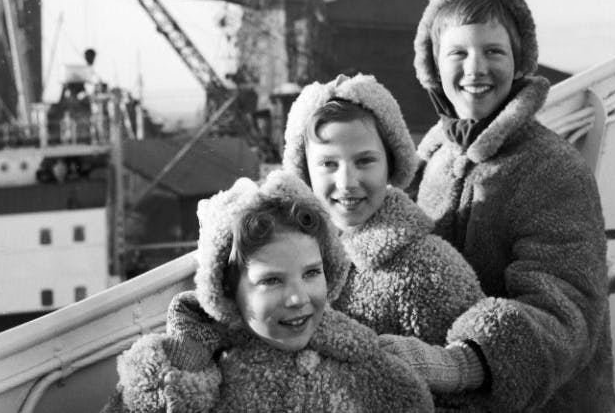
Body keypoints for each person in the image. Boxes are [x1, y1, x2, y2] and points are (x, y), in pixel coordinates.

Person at [377, 0, 614, 412]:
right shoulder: (431, 155)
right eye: (458, 53)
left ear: (519, 61)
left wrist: (462, 363)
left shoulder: (552, 168)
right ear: (433, 65)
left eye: (494, 51)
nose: (475, 68)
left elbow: (567, 309)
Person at [110, 170, 434, 412]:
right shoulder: (186, 376)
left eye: (311, 273)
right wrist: (181, 365)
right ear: (226, 288)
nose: (298, 298)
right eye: (272, 281)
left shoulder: (369, 368)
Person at [281, 73, 485, 392]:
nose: (347, 182)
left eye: (364, 161)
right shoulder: (284, 256)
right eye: (328, 165)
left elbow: (475, 375)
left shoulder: (429, 270)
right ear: (304, 171)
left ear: (389, 164)